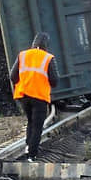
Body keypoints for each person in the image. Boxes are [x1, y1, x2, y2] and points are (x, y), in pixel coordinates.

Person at [9, 32, 59, 161]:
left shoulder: (23, 55)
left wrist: (24, 83)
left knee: (30, 121)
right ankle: (32, 154)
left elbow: (13, 76)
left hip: (23, 96)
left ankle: (28, 146)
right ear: (46, 45)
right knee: (37, 126)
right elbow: (54, 80)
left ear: (34, 43)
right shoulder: (48, 58)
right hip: (39, 97)